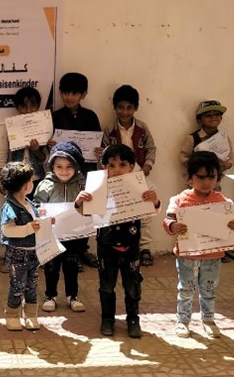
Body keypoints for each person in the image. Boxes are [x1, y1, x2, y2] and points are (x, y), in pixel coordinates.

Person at [164, 151, 234, 339]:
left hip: (213, 256)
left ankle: (208, 320)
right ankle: (183, 321)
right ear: (190, 178)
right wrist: (173, 226)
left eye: (211, 177)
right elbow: (168, 221)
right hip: (188, 256)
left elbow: (232, 226)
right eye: (200, 177)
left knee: (209, 289)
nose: (206, 182)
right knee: (186, 289)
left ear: (218, 177)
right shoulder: (179, 200)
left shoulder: (223, 202)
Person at [90, 144, 160, 338]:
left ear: (132, 166)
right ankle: (107, 319)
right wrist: (81, 201)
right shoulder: (98, 189)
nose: (117, 170)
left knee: (132, 285)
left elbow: (152, 212)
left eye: (123, 165)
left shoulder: (140, 188)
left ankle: (133, 319)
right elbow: (85, 213)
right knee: (106, 285)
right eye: (111, 165)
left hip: (131, 248)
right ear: (104, 167)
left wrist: (154, 201)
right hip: (106, 247)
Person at [100, 85, 158, 266]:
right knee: (120, 209)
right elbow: (104, 153)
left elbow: (151, 148)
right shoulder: (109, 129)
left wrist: (147, 166)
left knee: (145, 207)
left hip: (138, 171)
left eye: (129, 107)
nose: (124, 112)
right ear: (115, 107)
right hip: (117, 175)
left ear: (136, 108)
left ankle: (145, 247)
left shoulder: (142, 127)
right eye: (120, 107)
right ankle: (119, 243)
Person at [49, 72, 101, 269]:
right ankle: (64, 250)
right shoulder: (54, 117)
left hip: (85, 171)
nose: (69, 97)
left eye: (75, 93)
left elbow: (97, 142)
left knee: (85, 210)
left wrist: (99, 150)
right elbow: (48, 149)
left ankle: (81, 250)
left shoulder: (91, 116)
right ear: (60, 92)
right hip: (62, 174)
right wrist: (50, 145)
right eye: (66, 92)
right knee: (64, 209)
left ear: (83, 94)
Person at [33, 142, 89, 314]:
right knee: (52, 266)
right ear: (52, 166)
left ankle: (73, 296)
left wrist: (85, 201)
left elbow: (90, 209)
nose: (64, 171)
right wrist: (42, 216)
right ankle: (50, 296)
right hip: (52, 234)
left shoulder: (83, 185)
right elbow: (36, 206)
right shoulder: (45, 185)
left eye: (69, 166)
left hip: (75, 234)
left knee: (72, 265)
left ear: (77, 166)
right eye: (59, 166)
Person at [0, 86, 48, 274]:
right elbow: (3, 153)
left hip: (36, 179)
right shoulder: (11, 126)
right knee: (13, 218)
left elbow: (44, 159)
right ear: (17, 108)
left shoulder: (43, 127)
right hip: (15, 181)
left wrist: (36, 150)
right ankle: (9, 256)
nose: (28, 110)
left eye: (32, 106)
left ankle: (38, 255)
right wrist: (1, 178)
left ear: (38, 106)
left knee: (36, 217)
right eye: (24, 106)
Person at [0, 162, 43, 331]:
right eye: (30, 180)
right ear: (23, 184)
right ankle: (12, 315)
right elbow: (7, 231)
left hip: (33, 252)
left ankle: (31, 315)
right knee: (18, 286)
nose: (32, 183)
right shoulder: (10, 207)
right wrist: (29, 228)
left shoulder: (29, 203)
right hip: (18, 254)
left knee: (32, 285)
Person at [179, 100, 234, 178]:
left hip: (216, 180)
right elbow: (184, 156)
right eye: (208, 115)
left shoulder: (224, 137)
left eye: (217, 114)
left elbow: (230, 156)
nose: (213, 117)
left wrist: (228, 164)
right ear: (199, 120)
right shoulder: (192, 138)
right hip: (197, 180)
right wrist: (197, 167)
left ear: (221, 118)